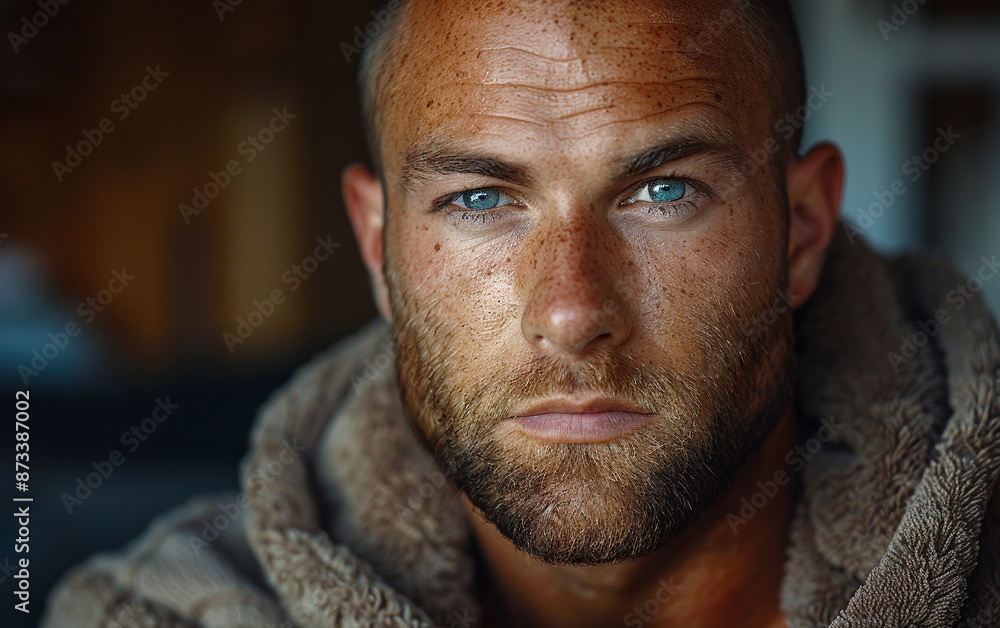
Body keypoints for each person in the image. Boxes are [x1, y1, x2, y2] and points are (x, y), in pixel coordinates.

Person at [43, 0, 1000, 626]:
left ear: (800, 230)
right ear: (378, 246)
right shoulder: (161, 611)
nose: (572, 311)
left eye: (662, 192)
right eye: (479, 200)